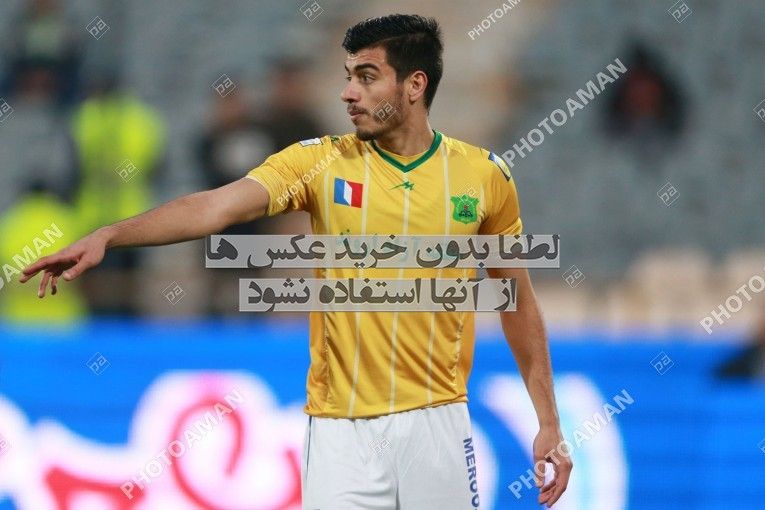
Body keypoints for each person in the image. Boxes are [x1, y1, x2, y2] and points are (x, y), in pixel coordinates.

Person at [21, 14, 572, 509]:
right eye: (348, 76)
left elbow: (516, 301)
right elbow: (214, 207)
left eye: (366, 77)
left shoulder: (483, 177)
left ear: (414, 85)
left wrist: (548, 420)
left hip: (439, 425)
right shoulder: (319, 163)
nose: (347, 92)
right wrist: (111, 235)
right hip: (340, 433)